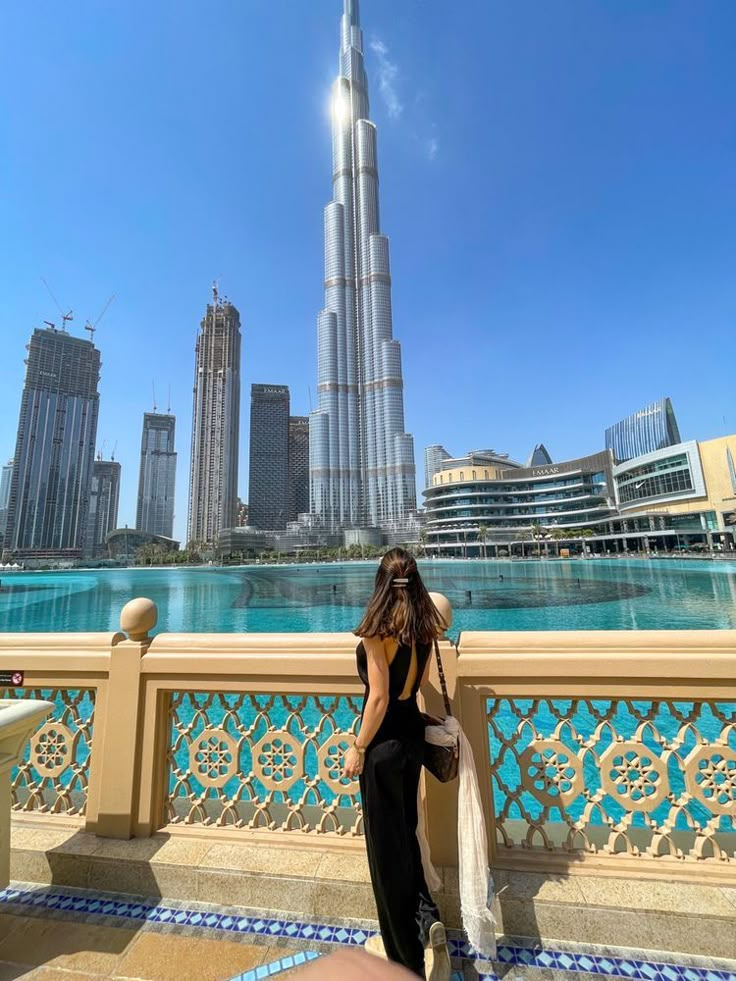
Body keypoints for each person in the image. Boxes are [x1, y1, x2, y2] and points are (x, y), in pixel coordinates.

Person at [343, 548, 451, 981]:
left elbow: (379, 697)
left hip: (385, 743)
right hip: (411, 739)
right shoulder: (425, 626)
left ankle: (405, 963)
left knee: (386, 856)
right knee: (406, 836)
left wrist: (358, 746)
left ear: (381, 582)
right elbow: (418, 684)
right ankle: (427, 917)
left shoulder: (378, 631)